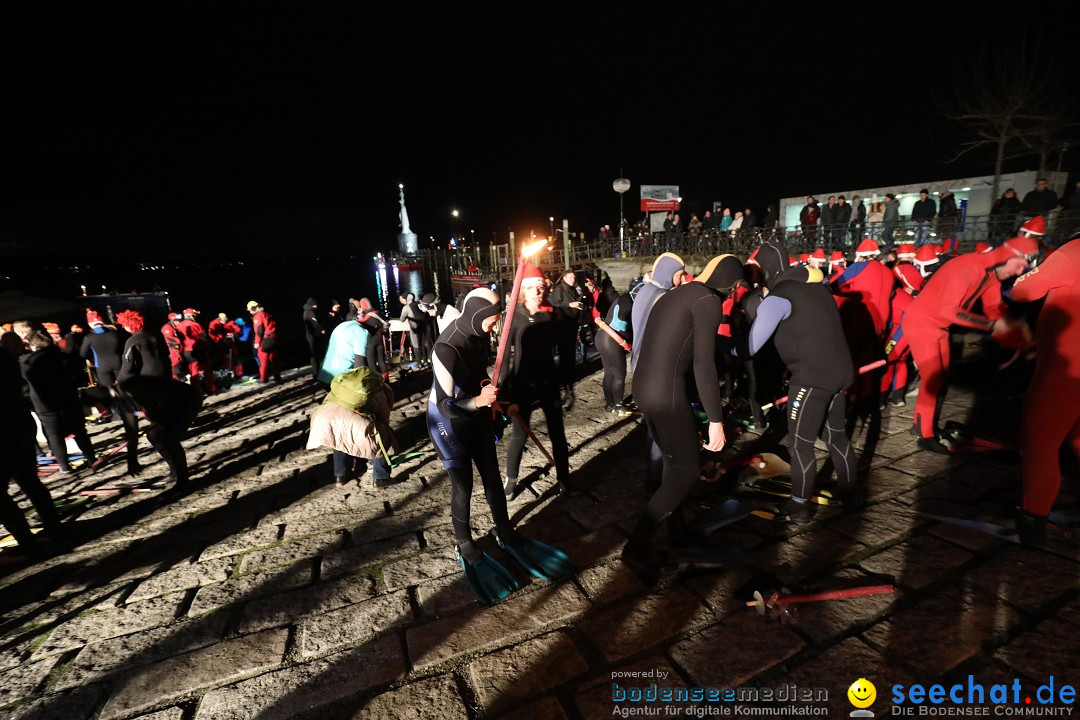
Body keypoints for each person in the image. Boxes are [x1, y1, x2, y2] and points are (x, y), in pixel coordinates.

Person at [426, 288, 575, 605]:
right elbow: (445, 403)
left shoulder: (479, 335)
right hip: (447, 422)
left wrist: (494, 401)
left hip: (476, 413)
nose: (496, 325)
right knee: (463, 486)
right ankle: (465, 542)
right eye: (493, 320)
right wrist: (479, 400)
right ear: (479, 316)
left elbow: (479, 374)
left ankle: (504, 530)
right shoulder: (445, 347)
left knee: (492, 478)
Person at [623, 255, 743, 574]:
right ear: (730, 285)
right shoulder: (707, 300)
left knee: (673, 466)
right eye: (734, 288)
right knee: (686, 472)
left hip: (644, 389)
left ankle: (677, 532)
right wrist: (716, 421)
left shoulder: (677, 293)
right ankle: (636, 548)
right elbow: (704, 364)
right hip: (666, 394)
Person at [739, 242, 858, 522]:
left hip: (811, 379)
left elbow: (750, 347)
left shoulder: (779, 297)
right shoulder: (817, 287)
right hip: (840, 374)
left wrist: (718, 343)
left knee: (800, 444)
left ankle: (799, 506)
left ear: (765, 270)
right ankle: (850, 493)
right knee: (836, 436)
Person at [901, 235, 1039, 451]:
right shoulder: (968, 266)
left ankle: (921, 425)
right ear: (1008, 256)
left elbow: (993, 308)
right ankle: (925, 435)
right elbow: (948, 310)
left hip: (939, 326)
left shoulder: (992, 274)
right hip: (921, 323)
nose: (1020, 272)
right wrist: (991, 326)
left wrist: (1012, 327)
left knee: (940, 377)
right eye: (1020, 265)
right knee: (932, 378)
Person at [1007, 233, 1080, 543]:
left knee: (1040, 445)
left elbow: (1021, 291)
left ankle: (1033, 519)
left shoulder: (1073, 252)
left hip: (1067, 367)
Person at [499, 262, 574, 499]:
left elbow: (565, 352)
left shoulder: (554, 315)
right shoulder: (513, 316)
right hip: (522, 383)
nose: (538, 291)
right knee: (519, 435)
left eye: (541, 287)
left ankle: (564, 478)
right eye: (532, 288)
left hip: (548, 381)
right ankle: (511, 479)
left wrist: (568, 385)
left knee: (557, 432)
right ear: (523, 289)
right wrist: (502, 390)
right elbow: (502, 358)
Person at [1, 344, 63, 554]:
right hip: (19, 420)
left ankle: (27, 543)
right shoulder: (4, 354)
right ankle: (54, 527)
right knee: (30, 481)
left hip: (3, 429)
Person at [306, 365, 397, 487]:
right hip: (348, 419)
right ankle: (381, 478)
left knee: (338, 439)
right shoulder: (380, 389)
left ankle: (340, 476)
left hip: (324, 418)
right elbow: (384, 418)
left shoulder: (344, 386)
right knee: (383, 436)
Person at [21, 331, 97, 474]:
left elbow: (24, 386)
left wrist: (29, 395)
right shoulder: (63, 357)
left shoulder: (25, 363)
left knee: (54, 434)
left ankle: (64, 466)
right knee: (79, 430)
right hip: (68, 398)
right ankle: (92, 459)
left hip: (44, 403)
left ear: (32, 345)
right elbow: (77, 374)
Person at [118, 374, 202, 489]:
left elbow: (156, 413)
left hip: (187, 400)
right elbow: (131, 430)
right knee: (153, 435)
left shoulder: (134, 391)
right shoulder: (123, 400)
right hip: (168, 406)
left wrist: (158, 421)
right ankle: (174, 471)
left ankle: (183, 480)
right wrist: (132, 457)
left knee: (169, 438)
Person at [115, 310, 170, 476]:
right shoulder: (154, 335)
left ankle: (170, 460)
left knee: (153, 423)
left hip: (148, 381)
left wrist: (118, 384)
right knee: (161, 418)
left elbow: (127, 367)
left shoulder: (133, 340)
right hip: (163, 378)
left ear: (128, 324)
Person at [547, 271, 584, 409]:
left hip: (571, 323)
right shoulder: (559, 289)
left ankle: (570, 372)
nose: (574, 279)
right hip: (562, 325)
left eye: (574, 277)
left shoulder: (573, 289)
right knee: (564, 352)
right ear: (565, 277)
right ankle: (565, 377)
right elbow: (555, 305)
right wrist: (570, 305)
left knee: (570, 351)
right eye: (571, 277)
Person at [596, 289, 634, 416]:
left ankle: (610, 404)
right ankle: (619, 406)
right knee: (619, 374)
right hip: (611, 339)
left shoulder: (623, 299)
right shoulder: (629, 301)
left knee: (609, 373)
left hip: (602, 336)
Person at [318, 311, 370, 384]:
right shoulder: (361, 332)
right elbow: (359, 365)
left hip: (325, 375)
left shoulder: (342, 325)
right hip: (342, 379)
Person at [80, 310, 124, 390]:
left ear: (90, 324)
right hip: (118, 363)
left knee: (109, 390)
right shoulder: (114, 333)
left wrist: (91, 356)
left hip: (101, 365)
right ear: (102, 321)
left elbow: (82, 354)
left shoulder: (88, 337)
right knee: (123, 387)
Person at [178, 308, 215, 394]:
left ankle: (196, 391)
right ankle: (210, 389)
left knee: (193, 371)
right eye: (194, 315)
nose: (195, 317)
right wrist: (209, 346)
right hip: (199, 349)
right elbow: (203, 337)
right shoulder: (195, 324)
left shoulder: (178, 326)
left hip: (187, 351)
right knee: (207, 369)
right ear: (191, 315)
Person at [248, 300, 281, 383]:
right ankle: (277, 377)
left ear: (253, 308)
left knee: (263, 360)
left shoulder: (258, 316)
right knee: (274, 359)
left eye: (250, 310)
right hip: (273, 339)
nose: (250, 312)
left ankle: (264, 379)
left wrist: (257, 342)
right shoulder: (267, 314)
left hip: (265, 340)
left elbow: (259, 330)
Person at [357, 298, 390, 379]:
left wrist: (360, 313)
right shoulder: (378, 312)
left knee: (371, 361)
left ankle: (376, 380)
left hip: (372, 341)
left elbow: (358, 322)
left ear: (363, 306)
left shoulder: (367, 317)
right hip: (380, 339)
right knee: (381, 360)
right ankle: (386, 379)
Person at [303, 297, 327, 382]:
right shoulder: (309, 312)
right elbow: (315, 323)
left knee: (316, 353)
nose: (316, 305)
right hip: (312, 335)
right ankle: (316, 373)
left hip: (313, 335)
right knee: (315, 354)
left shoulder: (310, 311)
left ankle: (317, 371)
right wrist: (321, 330)